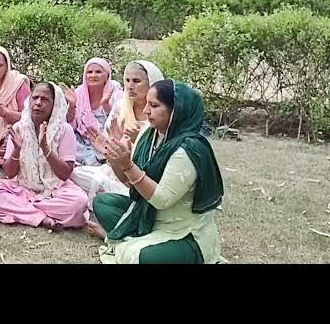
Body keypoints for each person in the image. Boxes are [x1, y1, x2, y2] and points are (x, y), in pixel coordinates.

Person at [87, 79, 224, 264]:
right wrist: (114, 159)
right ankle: (130, 240)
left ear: (176, 111)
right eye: (147, 104)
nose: (146, 110)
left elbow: (162, 199)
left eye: (154, 105)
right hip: (148, 216)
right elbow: (130, 185)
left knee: (140, 256)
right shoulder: (149, 134)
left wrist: (128, 166)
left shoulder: (188, 149)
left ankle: (116, 239)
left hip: (182, 230)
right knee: (103, 202)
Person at [0, 82, 89, 229]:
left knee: (79, 203)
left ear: (55, 105)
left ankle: (21, 210)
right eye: (35, 98)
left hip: (55, 191)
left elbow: (65, 174)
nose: (38, 103)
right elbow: (9, 173)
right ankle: (40, 217)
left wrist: (46, 150)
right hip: (21, 188)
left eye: (45, 99)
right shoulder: (18, 128)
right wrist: (16, 151)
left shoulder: (64, 130)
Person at [70, 60, 164, 206]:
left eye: (136, 81)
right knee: (74, 175)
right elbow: (108, 148)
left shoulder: (160, 113)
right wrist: (105, 148)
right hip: (114, 171)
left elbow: (161, 153)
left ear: (152, 83)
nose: (130, 86)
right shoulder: (120, 107)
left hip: (144, 175)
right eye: (127, 80)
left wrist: (137, 142)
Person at [60, 57, 123, 167]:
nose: (93, 75)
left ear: (107, 75)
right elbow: (72, 125)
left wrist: (105, 105)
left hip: (107, 141)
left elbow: (119, 123)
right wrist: (72, 105)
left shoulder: (116, 93)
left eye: (98, 72)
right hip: (83, 143)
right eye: (89, 72)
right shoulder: (78, 93)